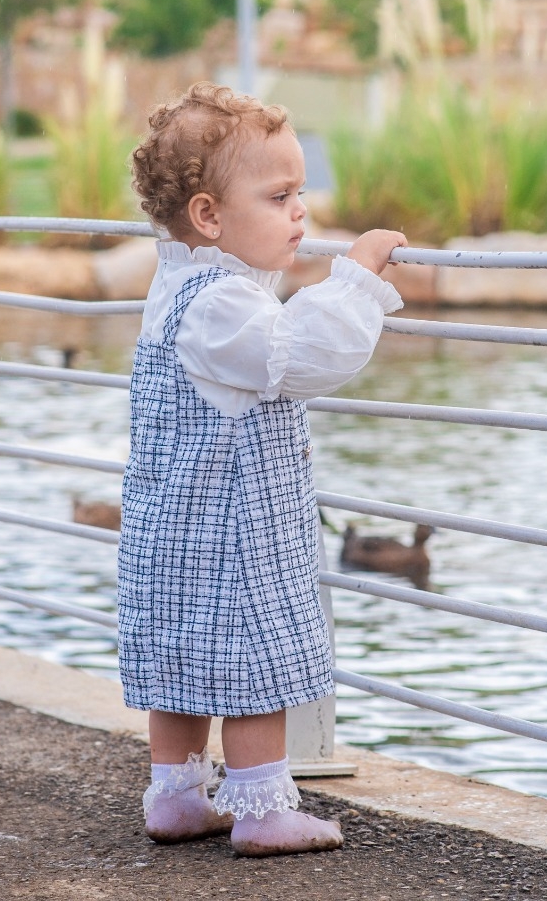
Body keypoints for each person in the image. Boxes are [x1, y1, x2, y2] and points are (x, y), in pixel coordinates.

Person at [118, 82, 408, 858]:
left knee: (181, 656)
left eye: (301, 193)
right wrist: (357, 278)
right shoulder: (220, 305)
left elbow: (256, 320)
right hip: (234, 532)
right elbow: (305, 356)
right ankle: (262, 809)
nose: (300, 212)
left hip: (172, 526)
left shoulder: (182, 284)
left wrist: (289, 263)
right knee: (252, 659)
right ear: (210, 216)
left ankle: (176, 796)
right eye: (280, 196)